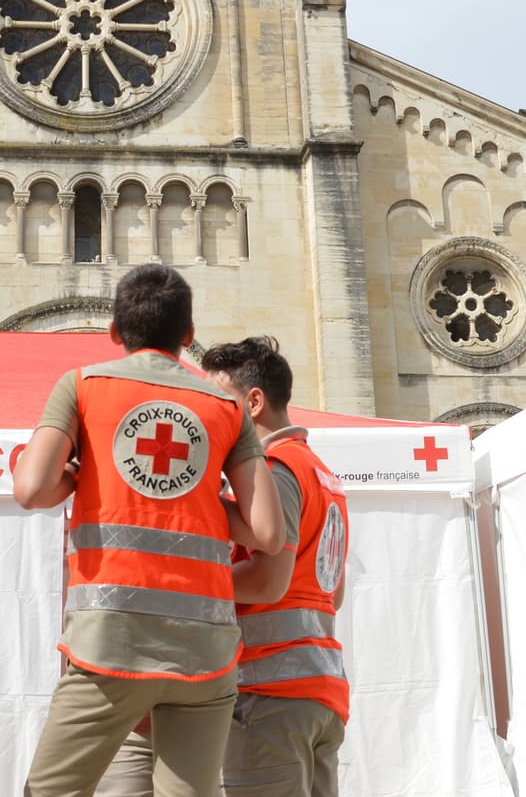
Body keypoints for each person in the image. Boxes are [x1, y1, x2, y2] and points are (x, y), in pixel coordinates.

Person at [14, 263, 286, 797]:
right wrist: (199, 497)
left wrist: (86, 475)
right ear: (188, 336)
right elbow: (267, 532)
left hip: (109, 643)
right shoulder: (228, 406)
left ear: (114, 331)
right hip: (205, 649)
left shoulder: (82, 385)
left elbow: (31, 488)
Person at [202, 337, 350, 797]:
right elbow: (332, 591)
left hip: (270, 694)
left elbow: (269, 582)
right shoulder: (323, 473)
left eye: (219, 402)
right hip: (318, 691)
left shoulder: (275, 468)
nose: (211, 416)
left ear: (253, 402)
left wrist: (194, 585)